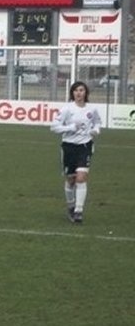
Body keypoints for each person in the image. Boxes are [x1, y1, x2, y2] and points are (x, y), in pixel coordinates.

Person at [50, 81, 101, 223]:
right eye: (76, 91)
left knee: (81, 178)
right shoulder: (67, 109)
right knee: (71, 180)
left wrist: (95, 130)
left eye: (81, 90)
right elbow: (54, 127)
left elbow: (97, 122)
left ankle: (78, 211)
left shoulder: (92, 109)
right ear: (72, 93)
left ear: (86, 93)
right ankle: (71, 206)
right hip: (69, 147)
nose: (79, 93)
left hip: (85, 146)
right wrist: (70, 127)